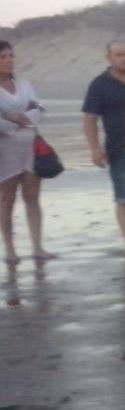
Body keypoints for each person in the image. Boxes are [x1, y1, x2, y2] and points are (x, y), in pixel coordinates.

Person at [82, 40, 125, 256]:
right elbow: (90, 119)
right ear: (109, 58)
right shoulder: (99, 84)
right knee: (124, 197)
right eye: (119, 55)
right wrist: (95, 149)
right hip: (119, 148)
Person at [0, 41, 51, 265]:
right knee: (6, 201)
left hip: (30, 146)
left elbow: (38, 108)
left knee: (32, 198)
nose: (9, 60)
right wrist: (11, 122)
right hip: (5, 149)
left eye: (11, 56)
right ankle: (10, 248)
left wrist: (20, 118)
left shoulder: (23, 83)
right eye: (3, 57)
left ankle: (37, 246)